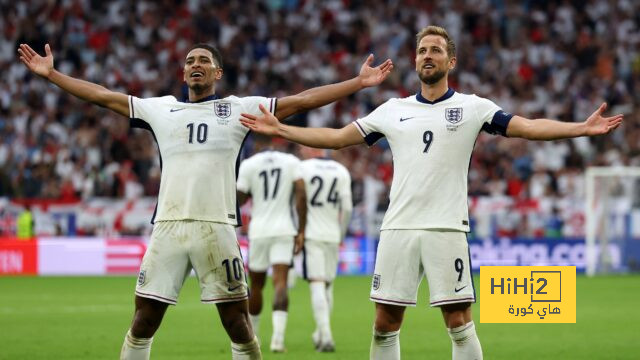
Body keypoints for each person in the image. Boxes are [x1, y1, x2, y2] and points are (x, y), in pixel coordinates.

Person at [238, 25, 624, 360]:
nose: (427, 55)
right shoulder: (393, 109)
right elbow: (338, 138)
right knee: (384, 323)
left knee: (459, 322)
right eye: (422, 50)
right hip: (398, 228)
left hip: (446, 227)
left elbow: (526, 126)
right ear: (415, 60)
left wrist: (579, 128)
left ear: (450, 61)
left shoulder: (474, 108)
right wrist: (283, 130)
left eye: (436, 50)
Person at [17, 42, 392, 360]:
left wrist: (357, 83)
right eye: (190, 62)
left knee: (237, 322)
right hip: (169, 227)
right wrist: (53, 76)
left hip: (217, 228)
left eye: (203, 62)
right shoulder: (161, 109)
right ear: (183, 75)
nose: (195, 65)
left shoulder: (239, 109)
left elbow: (302, 101)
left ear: (217, 73)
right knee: (144, 318)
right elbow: (102, 96)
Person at [236, 135, 307, 352]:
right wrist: (301, 230)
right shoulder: (291, 162)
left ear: (257, 144)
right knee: (280, 282)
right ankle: (277, 340)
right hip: (284, 229)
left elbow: (239, 199)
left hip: (259, 231)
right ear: (275, 141)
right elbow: (301, 196)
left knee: (256, 286)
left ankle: (253, 337)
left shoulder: (249, 164)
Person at [295, 146, 352, 352]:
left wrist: (298, 230)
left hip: (312, 233)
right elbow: (347, 209)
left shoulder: (302, 168)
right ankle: (320, 333)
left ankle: (326, 336)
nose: (301, 149)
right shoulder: (341, 170)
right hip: (332, 234)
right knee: (328, 284)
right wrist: (341, 233)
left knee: (317, 283)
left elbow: (298, 201)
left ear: (310, 149)